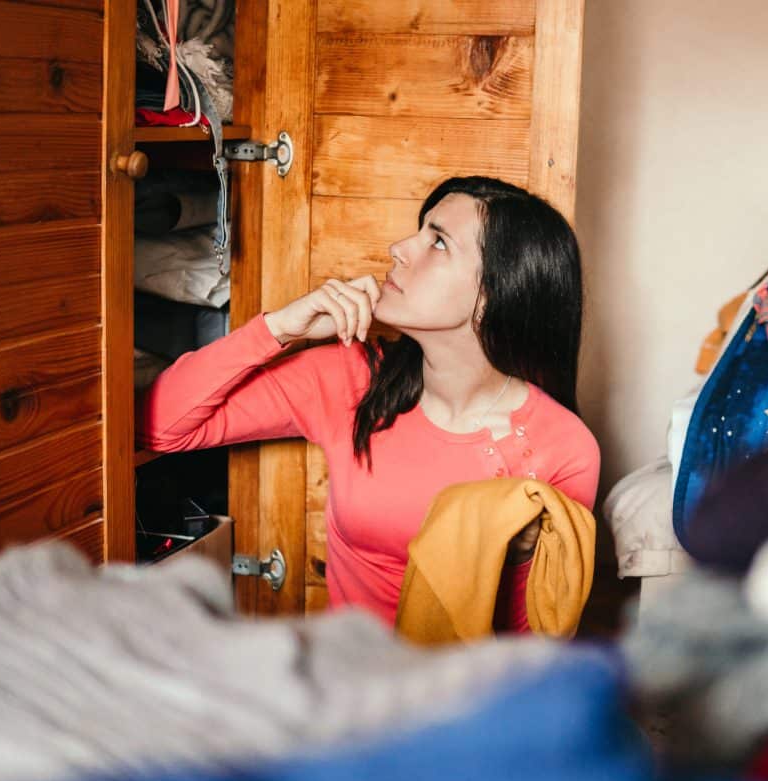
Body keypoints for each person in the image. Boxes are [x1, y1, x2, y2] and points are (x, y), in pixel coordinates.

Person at [139, 176, 601, 632]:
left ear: (492, 296)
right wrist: (280, 328)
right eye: (420, 230)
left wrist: (519, 560)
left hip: (465, 679)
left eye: (438, 242)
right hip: (351, 672)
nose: (399, 248)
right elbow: (160, 426)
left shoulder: (564, 449)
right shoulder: (351, 379)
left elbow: (536, 640)